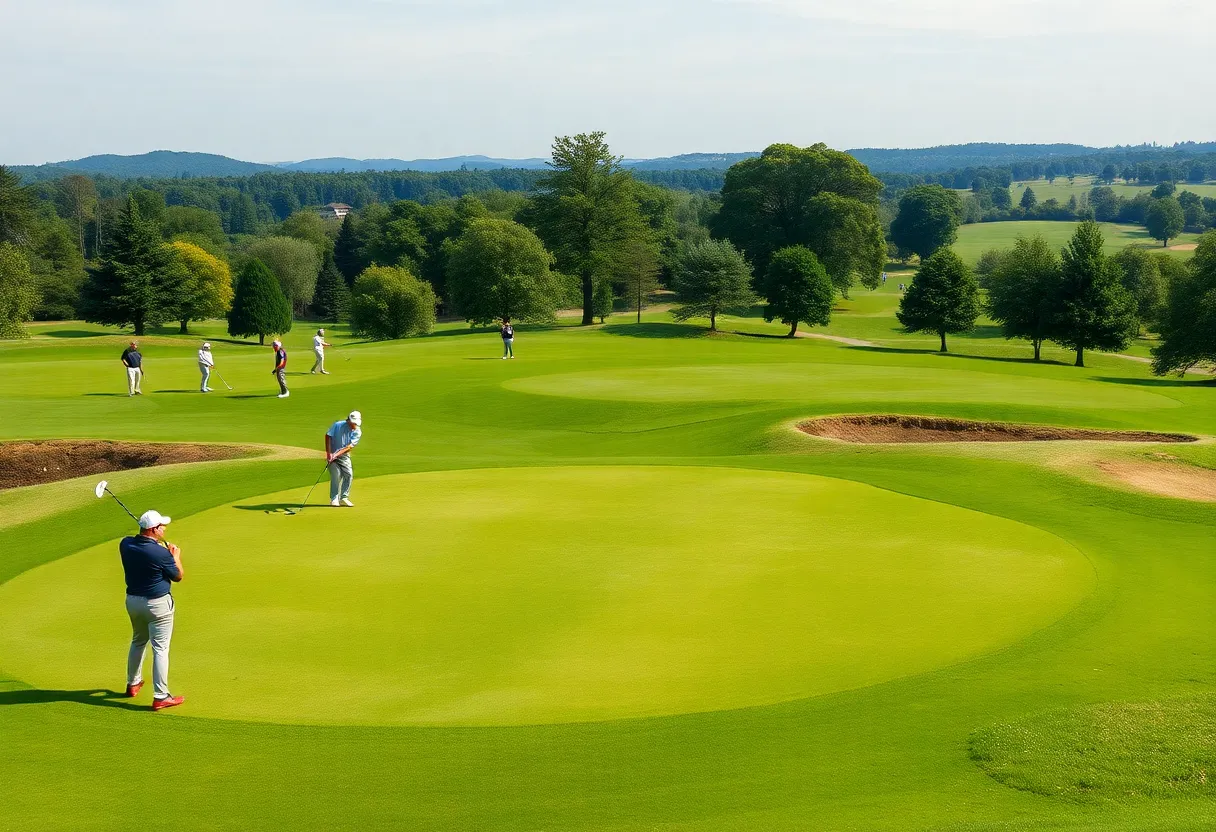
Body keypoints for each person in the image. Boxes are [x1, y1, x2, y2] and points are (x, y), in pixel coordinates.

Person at [120, 510, 184, 711]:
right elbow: (178, 576)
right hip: (158, 605)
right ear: (154, 529)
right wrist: (175, 556)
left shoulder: (125, 544)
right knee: (160, 648)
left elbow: (139, 544)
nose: (164, 528)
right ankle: (161, 695)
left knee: (138, 640)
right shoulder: (161, 553)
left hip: (133, 602)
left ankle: (133, 684)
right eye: (161, 526)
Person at [325, 411, 362, 507]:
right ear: (349, 420)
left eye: (356, 423)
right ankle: (334, 499)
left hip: (344, 456)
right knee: (336, 475)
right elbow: (328, 436)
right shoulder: (338, 425)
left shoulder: (358, 431)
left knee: (349, 474)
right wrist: (329, 454)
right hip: (332, 454)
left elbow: (349, 447)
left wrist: (337, 454)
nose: (354, 425)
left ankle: (344, 498)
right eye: (353, 423)